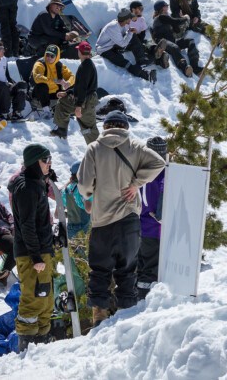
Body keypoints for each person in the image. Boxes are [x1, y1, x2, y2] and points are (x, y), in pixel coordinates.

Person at [77, 112, 166, 324]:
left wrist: (91, 193)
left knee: (99, 270)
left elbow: (83, 186)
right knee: (127, 270)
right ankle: (127, 316)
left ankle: (99, 316)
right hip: (129, 220)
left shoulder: (94, 149)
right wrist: (136, 183)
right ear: (125, 127)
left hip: (103, 220)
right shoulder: (135, 147)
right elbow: (159, 163)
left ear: (105, 126)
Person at [10, 144, 58, 350]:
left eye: (50, 160)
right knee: (33, 297)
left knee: (46, 299)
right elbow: (27, 225)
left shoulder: (35, 182)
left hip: (42, 249)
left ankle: (41, 342)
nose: (49, 164)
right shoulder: (27, 187)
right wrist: (36, 256)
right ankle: (27, 344)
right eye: (46, 160)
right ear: (34, 162)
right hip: (31, 254)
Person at [137, 136, 167, 299]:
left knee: (141, 264)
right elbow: (163, 191)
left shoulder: (140, 170)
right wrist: (161, 215)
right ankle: (144, 299)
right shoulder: (162, 171)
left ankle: (137, 296)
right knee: (151, 267)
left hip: (139, 227)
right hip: (155, 228)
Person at [53, 41, 98, 142]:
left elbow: (83, 88)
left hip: (86, 101)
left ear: (79, 52)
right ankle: (61, 130)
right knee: (63, 103)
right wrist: (68, 93)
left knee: (88, 126)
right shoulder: (86, 64)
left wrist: (78, 106)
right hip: (83, 98)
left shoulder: (85, 67)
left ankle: (97, 149)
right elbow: (80, 86)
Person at [95, 8, 156, 82]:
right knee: (125, 63)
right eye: (130, 18)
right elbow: (122, 44)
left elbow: (124, 35)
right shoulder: (113, 27)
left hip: (113, 45)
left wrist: (130, 31)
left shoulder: (121, 24)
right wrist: (130, 33)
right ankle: (145, 75)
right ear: (125, 19)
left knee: (133, 37)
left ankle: (141, 60)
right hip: (104, 50)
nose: (131, 19)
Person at [151, 0, 200, 76]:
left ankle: (195, 66)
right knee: (175, 47)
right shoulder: (160, 17)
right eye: (166, 6)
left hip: (171, 41)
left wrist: (180, 19)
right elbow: (175, 21)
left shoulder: (167, 18)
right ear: (161, 8)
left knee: (190, 41)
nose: (167, 8)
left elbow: (176, 30)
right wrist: (185, 18)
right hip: (163, 42)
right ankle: (185, 68)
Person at [0, 41, 28, 120]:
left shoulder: (3, 59)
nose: (3, 50)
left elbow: (6, 75)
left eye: (3, 48)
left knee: (22, 84)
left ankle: (16, 112)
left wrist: (12, 84)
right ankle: (4, 113)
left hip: (4, 86)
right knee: (3, 86)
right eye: (1, 49)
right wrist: (8, 85)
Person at [31, 44, 75, 118]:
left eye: (52, 56)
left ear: (57, 57)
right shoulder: (40, 64)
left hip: (55, 93)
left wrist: (68, 83)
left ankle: (68, 108)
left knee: (72, 85)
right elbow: (37, 78)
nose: (49, 57)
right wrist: (54, 81)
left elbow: (72, 76)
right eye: (47, 55)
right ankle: (46, 111)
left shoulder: (59, 65)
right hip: (40, 93)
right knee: (42, 85)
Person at [63, 162, 91, 238]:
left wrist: (70, 214)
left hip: (71, 231)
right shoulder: (87, 190)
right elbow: (90, 209)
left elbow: (57, 214)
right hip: (86, 231)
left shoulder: (66, 190)